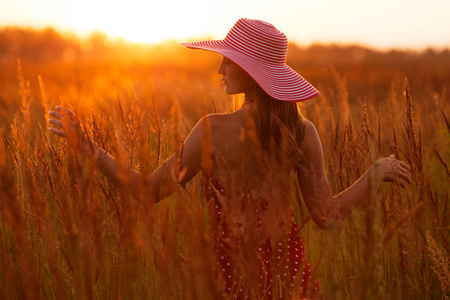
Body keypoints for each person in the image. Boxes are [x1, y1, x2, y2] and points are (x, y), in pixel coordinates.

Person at [48, 18, 411, 299]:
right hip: (292, 279)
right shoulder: (304, 132)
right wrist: (374, 173)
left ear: (252, 73)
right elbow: (327, 218)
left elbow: (148, 191)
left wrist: (90, 147)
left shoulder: (212, 131)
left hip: (233, 277)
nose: (220, 69)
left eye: (229, 60)